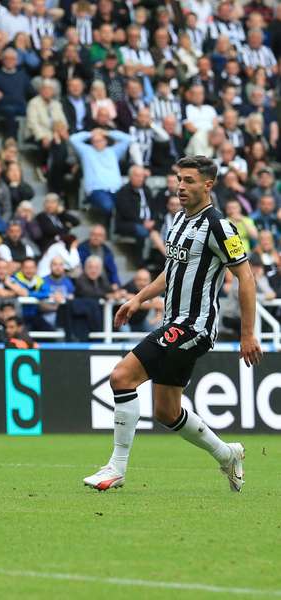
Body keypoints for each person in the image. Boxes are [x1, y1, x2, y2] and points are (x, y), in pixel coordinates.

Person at [84, 156, 262, 493]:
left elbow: (246, 277)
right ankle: (228, 455)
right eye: (179, 179)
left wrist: (248, 333)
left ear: (208, 185)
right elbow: (173, 271)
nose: (181, 186)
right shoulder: (179, 220)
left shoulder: (220, 227)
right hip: (172, 321)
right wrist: (139, 298)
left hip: (194, 326)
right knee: (167, 411)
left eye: (190, 181)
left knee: (121, 376)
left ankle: (116, 468)